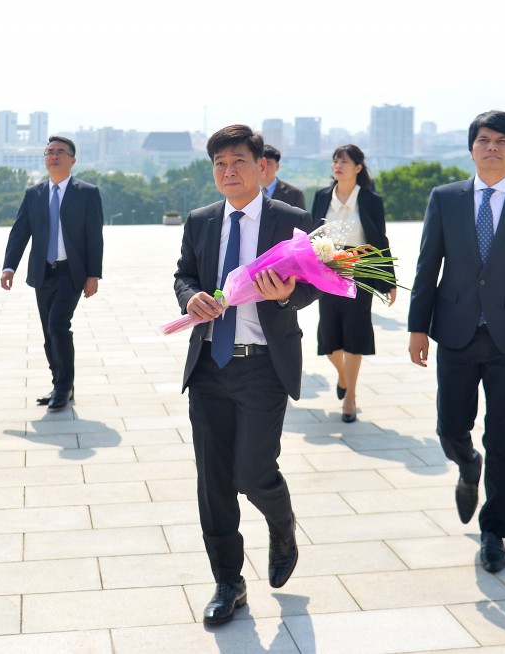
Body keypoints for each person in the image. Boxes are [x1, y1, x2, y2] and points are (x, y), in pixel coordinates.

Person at [174, 125, 319, 625]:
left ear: (262, 167)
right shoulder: (200, 221)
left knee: (252, 472)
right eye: (219, 164)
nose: (228, 171)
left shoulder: (292, 219)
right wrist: (188, 295)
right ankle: (228, 582)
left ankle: (281, 524)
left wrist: (286, 295)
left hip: (263, 366)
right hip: (210, 365)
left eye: (238, 161)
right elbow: (184, 273)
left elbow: (317, 282)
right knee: (213, 483)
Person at [407, 110, 505, 573]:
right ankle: (466, 462)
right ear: (471, 148)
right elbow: (427, 264)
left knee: (503, 436)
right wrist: (418, 327)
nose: (492, 148)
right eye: (484, 140)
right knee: (450, 427)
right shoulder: (446, 199)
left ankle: (494, 532)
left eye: (502, 142)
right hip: (454, 331)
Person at [1, 136, 104, 411]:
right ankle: (60, 383)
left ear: (73, 160)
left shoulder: (87, 193)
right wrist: (9, 266)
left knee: (58, 325)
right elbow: (20, 231)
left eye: (60, 152)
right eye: (49, 152)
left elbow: (94, 236)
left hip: (72, 272)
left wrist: (93, 274)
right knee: (49, 332)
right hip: (42, 272)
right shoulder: (34, 194)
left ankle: (63, 386)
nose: (54, 156)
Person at [311, 145, 396, 423]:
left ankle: (350, 397)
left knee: (355, 333)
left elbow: (380, 240)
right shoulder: (323, 196)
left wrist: (388, 280)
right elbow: (312, 234)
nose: (338, 165)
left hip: (359, 271)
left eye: (344, 161)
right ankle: (344, 377)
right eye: (335, 160)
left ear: (358, 168)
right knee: (328, 337)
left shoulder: (370, 200)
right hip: (328, 271)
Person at [260, 144, 307, 210]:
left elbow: (302, 219)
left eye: (268, 163)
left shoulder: (294, 194)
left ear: (277, 166)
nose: (263, 167)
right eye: (260, 163)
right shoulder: (244, 191)